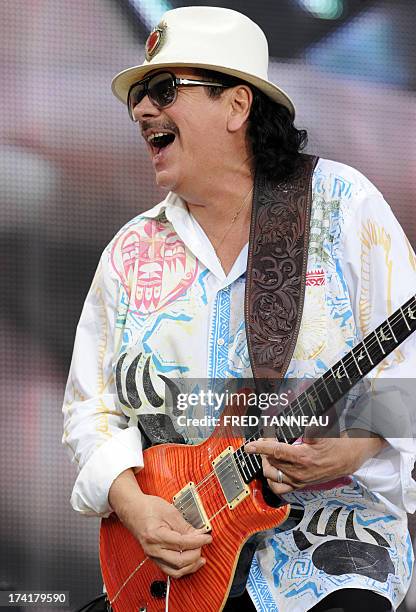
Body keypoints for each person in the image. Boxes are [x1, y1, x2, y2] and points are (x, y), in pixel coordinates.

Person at [62, 6, 416, 611]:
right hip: (176, 570)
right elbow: (89, 409)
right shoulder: (129, 252)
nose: (144, 110)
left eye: (164, 89)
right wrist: (133, 503)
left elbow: (409, 365)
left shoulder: (344, 207)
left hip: (330, 551)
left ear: (237, 106)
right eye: (138, 97)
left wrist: (351, 447)